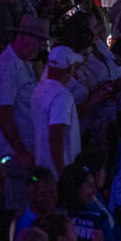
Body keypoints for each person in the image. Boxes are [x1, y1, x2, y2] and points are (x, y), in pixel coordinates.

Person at [31, 46, 82, 176]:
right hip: (59, 170)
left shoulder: (38, 90)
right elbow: (56, 135)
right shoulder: (62, 95)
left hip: (43, 166)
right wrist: (62, 174)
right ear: (70, 69)